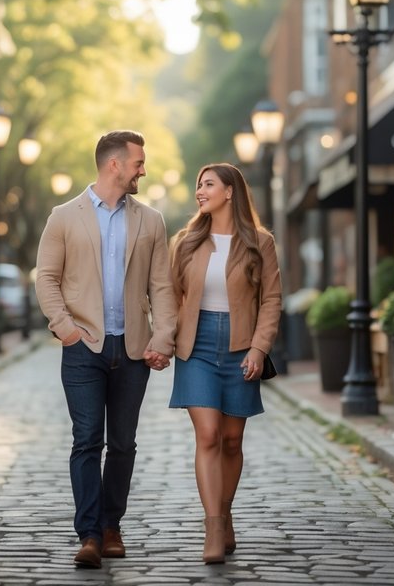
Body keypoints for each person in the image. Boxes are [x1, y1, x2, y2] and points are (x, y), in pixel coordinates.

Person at [35, 130, 177, 569]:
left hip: (132, 349)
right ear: (114, 164)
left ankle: (112, 526)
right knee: (86, 440)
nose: (143, 169)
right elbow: (46, 278)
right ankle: (90, 534)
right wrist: (66, 329)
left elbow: (162, 285)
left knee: (122, 444)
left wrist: (162, 336)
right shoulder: (64, 216)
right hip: (83, 348)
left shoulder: (151, 220)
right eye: (138, 162)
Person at [167, 162, 282, 564]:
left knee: (233, 441)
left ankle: (225, 511)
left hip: (241, 347)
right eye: (198, 185)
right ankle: (213, 525)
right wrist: (163, 340)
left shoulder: (259, 243)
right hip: (195, 347)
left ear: (230, 191)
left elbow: (270, 300)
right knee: (210, 435)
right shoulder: (185, 242)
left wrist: (258, 348)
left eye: (208, 184)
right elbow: (170, 297)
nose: (199, 191)